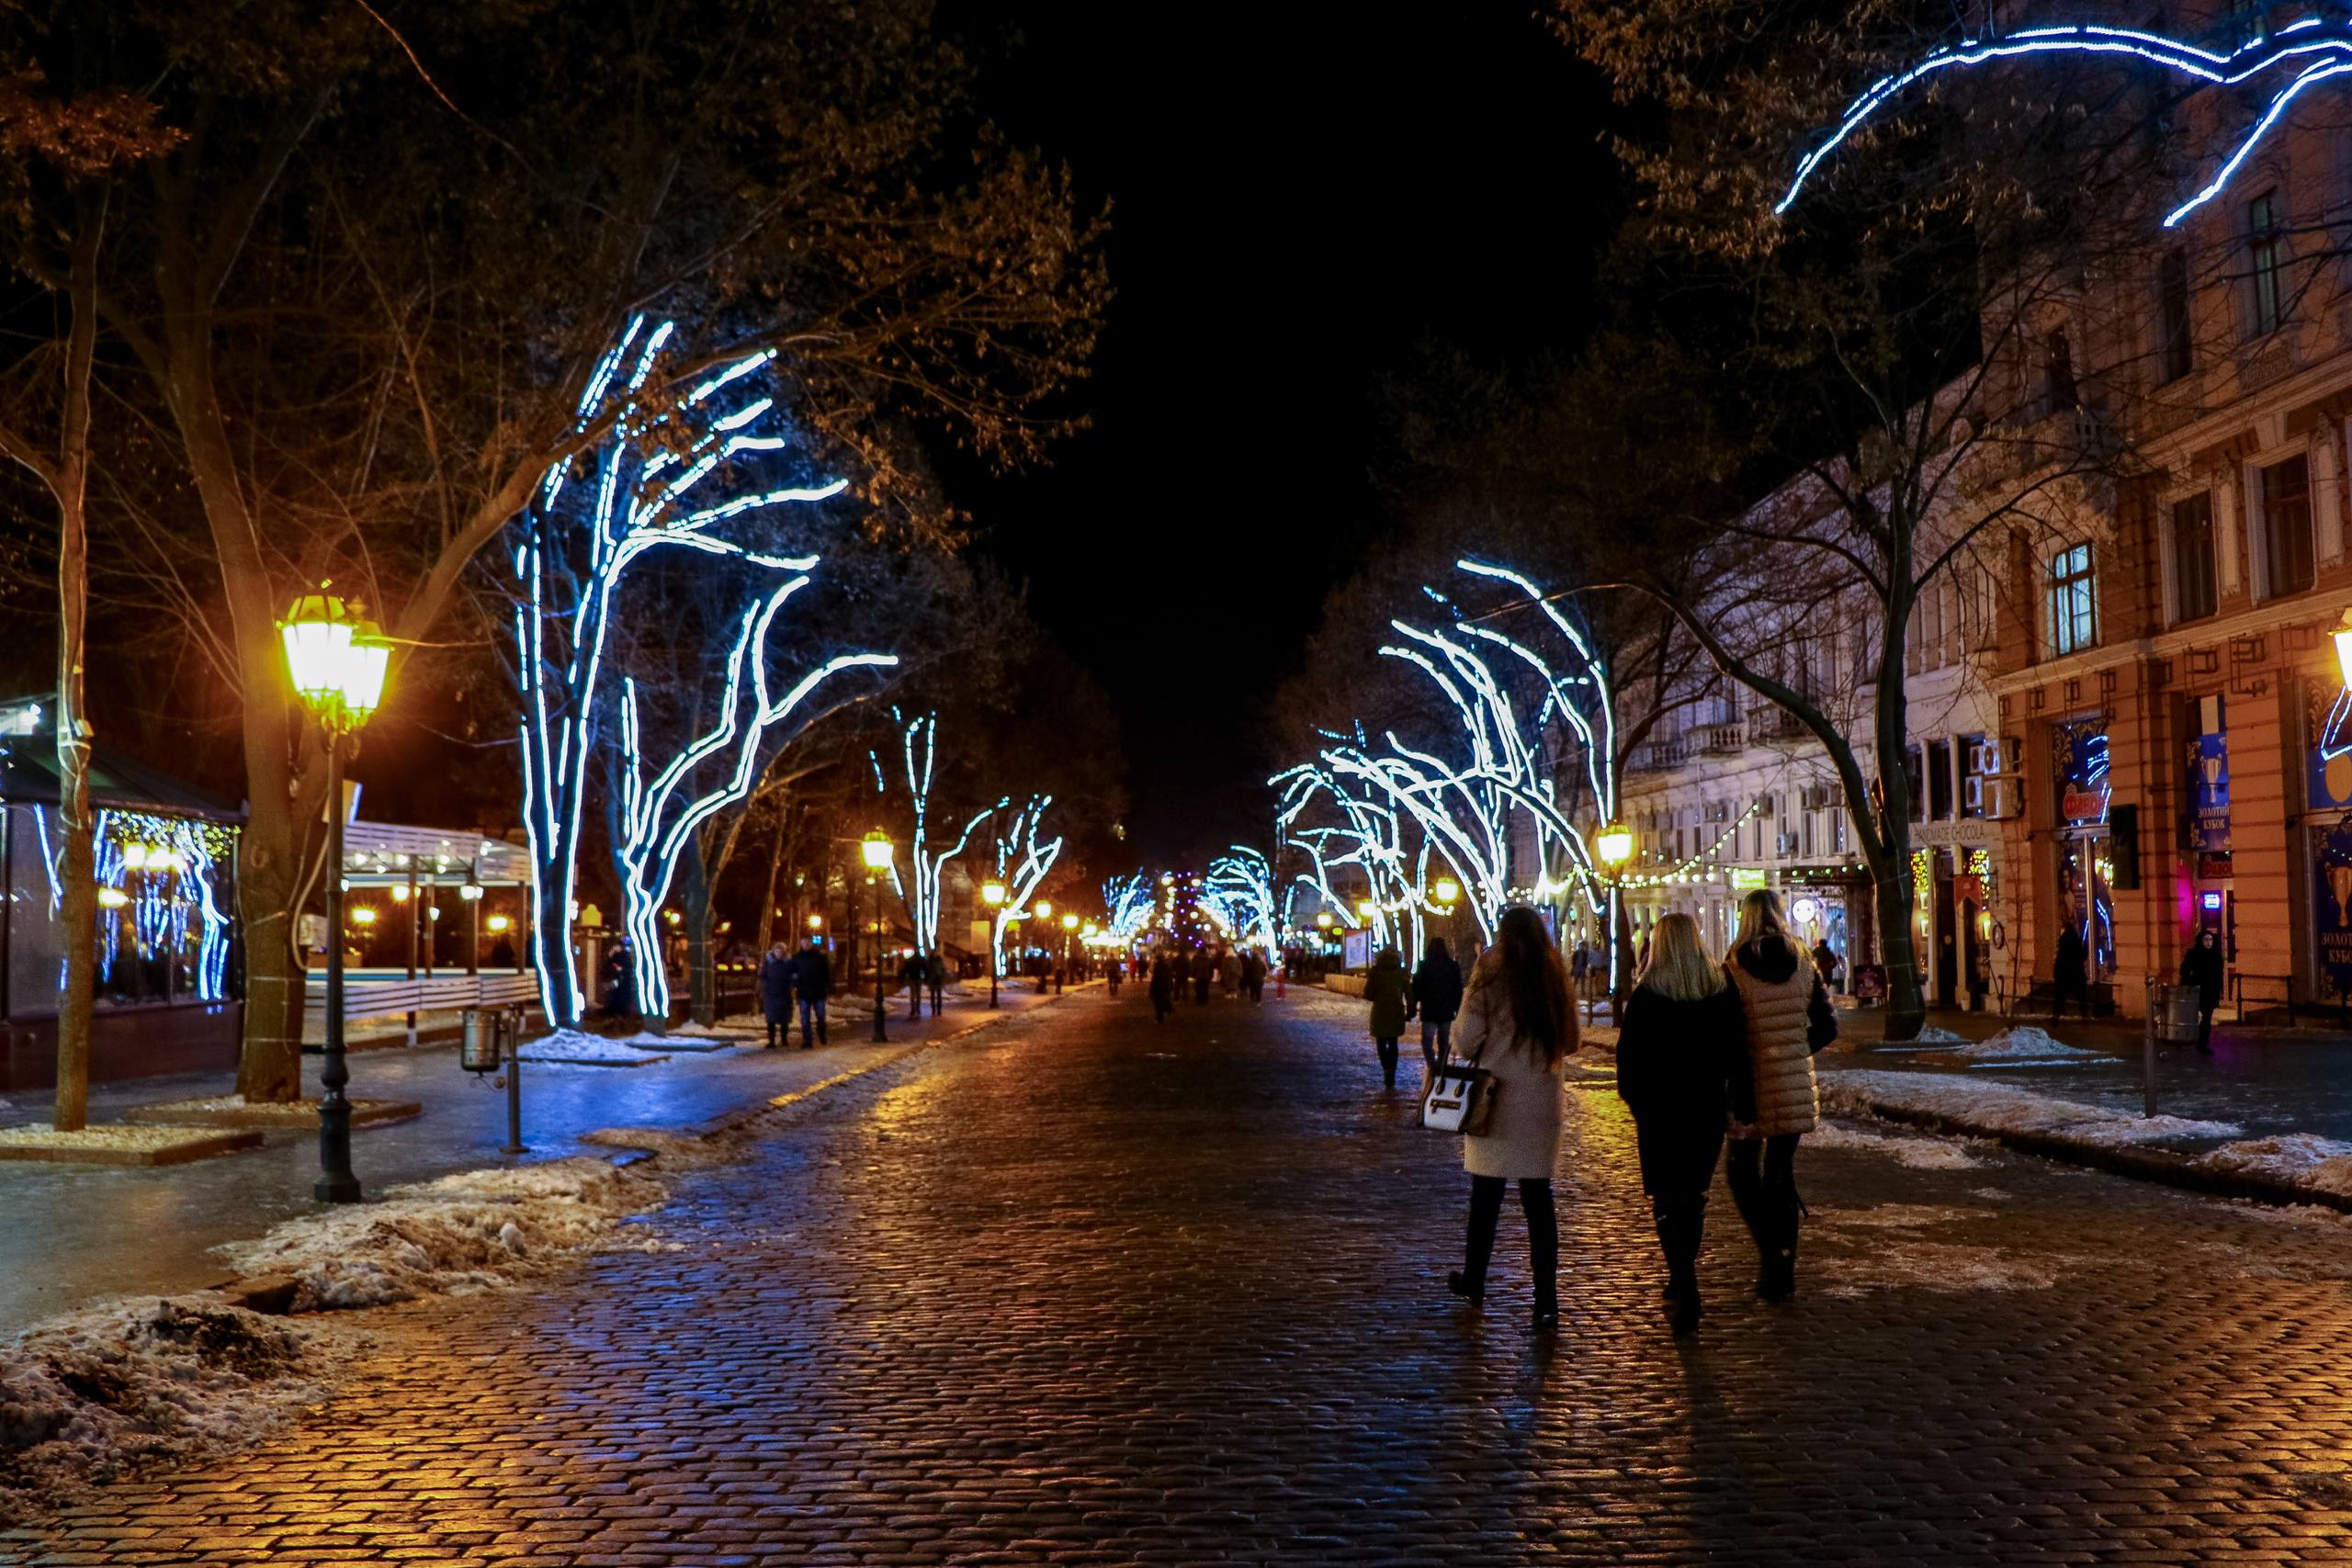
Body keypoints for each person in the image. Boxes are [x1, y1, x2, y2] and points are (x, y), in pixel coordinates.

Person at [1615, 913, 1752, 1335]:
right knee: (1692, 1196)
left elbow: (1628, 1061)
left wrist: (1638, 1103)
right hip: (1704, 1108)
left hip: (1659, 1111)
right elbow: (1739, 1053)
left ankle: (1684, 1279)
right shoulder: (1721, 990)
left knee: (1667, 1198)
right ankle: (1682, 1276)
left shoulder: (1647, 996)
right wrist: (1738, 1104)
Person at [1444, 906, 1573, 1330]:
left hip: (1495, 1100)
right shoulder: (1553, 974)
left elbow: (1465, 1041)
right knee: (1539, 1202)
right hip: (1541, 1102)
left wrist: (1473, 992)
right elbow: (1570, 1039)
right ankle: (1546, 1299)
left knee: (1485, 1199)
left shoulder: (1489, 974)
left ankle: (1475, 1281)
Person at [1722, 888, 1836, 1303]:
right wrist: (1794, 1051)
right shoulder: (1804, 961)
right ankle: (1783, 1266)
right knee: (1780, 1173)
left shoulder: (1733, 968)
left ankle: (1770, 1250)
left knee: (1741, 1170)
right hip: (1792, 1083)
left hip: (1750, 1084)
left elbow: (1731, 1037)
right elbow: (1828, 1026)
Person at [1411, 936, 1464, 1082]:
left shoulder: (1425, 966)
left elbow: (1417, 987)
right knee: (1444, 1040)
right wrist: (1457, 1008)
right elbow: (1458, 989)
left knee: (1427, 1040)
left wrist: (1415, 1003)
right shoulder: (1453, 966)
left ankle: (1432, 1064)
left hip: (1429, 1010)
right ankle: (1441, 1065)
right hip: (1447, 1010)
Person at [1363, 947, 1409, 1089]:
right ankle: (1392, 1072)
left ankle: (1386, 1069)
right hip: (1396, 1012)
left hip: (1380, 1012)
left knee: (1381, 1042)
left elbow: (1368, 994)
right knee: (1393, 1042)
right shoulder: (1401, 973)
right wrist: (1411, 1011)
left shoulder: (1375, 973)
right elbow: (1409, 994)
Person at [2181, 928, 2224, 1054]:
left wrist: (2218, 989)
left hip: (2210, 991)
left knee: (2206, 1018)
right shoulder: (2193, 954)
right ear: (2201, 941)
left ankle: (2203, 1043)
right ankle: (2187, 1039)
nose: (2208, 942)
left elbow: (2219, 974)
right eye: (2206, 940)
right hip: (2196, 990)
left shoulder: (2216, 955)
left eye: (2210, 940)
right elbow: (2184, 970)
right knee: (2191, 1016)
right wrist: (2190, 982)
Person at [792, 937, 831, 1047]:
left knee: (821, 1016)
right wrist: (795, 982)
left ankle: (821, 1033)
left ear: (811, 943)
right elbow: (793, 973)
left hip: (818, 992)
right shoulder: (797, 958)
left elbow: (826, 974)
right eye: (803, 943)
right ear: (801, 944)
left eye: (807, 943)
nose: (805, 945)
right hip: (804, 992)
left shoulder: (820, 957)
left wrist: (828, 988)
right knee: (805, 1018)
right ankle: (807, 1040)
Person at [758, 942, 796, 1048]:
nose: (778, 953)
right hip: (771, 994)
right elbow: (763, 975)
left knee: (784, 1018)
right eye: (777, 951)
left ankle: (784, 1039)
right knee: (771, 1018)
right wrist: (766, 984)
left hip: (784, 993)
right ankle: (772, 1041)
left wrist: (791, 982)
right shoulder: (768, 963)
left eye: (781, 951)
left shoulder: (788, 963)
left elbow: (792, 976)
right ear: (774, 951)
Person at [2052, 921, 2089, 1021]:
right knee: (2081, 998)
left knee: (2059, 997)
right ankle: (2085, 1018)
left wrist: (2057, 973)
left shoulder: (2063, 941)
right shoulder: (2077, 940)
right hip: (2077, 974)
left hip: (2065, 975)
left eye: (2061, 930)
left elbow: (2060, 959)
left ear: (2064, 930)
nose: (2060, 932)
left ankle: (2056, 1019)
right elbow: (2083, 956)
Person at [1149, 951, 1175, 1022]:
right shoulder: (1166, 966)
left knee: (1158, 1003)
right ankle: (1168, 1012)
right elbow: (1169, 976)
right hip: (1165, 986)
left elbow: (1155, 977)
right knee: (1165, 999)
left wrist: (1152, 987)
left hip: (1159, 987)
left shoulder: (1157, 966)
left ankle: (1160, 1018)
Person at [925, 949, 947, 1016]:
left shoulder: (929, 961)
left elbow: (926, 971)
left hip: (934, 980)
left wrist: (926, 980)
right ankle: (937, 1010)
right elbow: (943, 970)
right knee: (937, 996)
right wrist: (942, 977)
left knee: (934, 996)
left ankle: (935, 1010)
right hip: (937, 980)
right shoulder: (938, 961)